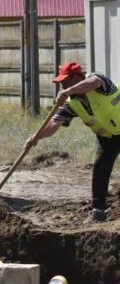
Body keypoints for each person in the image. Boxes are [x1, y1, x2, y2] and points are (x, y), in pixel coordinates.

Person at [27, 61, 120, 222]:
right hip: (108, 138)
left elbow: (93, 82)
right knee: (100, 170)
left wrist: (69, 90)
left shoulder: (99, 81)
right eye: (61, 83)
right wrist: (36, 136)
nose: (63, 85)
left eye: (66, 81)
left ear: (78, 76)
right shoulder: (72, 103)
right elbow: (53, 124)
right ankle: (98, 211)